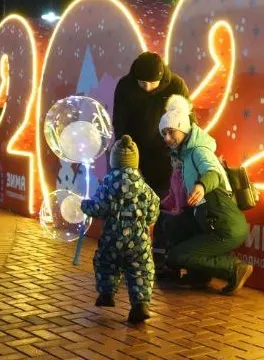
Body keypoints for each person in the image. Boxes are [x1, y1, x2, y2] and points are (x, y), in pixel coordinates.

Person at [158, 95, 253, 295]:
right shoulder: (183, 155)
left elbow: (214, 173)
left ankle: (234, 268)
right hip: (207, 219)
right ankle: (198, 275)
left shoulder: (199, 151)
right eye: (164, 133)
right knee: (171, 224)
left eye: (171, 132)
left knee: (177, 255)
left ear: (183, 129)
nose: (167, 138)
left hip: (224, 224)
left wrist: (201, 186)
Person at [111, 51, 189, 276]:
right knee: (134, 210)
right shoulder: (125, 86)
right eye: (142, 83)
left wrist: (180, 153)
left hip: (166, 157)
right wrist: (126, 154)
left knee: (166, 207)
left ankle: (163, 259)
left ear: (161, 77)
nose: (146, 88)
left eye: (151, 83)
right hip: (135, 155)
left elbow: (187, 121)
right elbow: (120, 121)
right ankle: (133, 257)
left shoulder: (176, 85)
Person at [81, 135, 160, 325]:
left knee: (105, 262)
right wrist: (146, 220)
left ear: (113, 161)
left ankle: (106, 293)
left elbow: (98, 208)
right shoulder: (144, 187)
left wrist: (85, 205)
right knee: (141, 270)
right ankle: (140, 305)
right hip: (138, 241)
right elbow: (153, 210)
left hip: (112, 238)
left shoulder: (107, 185)